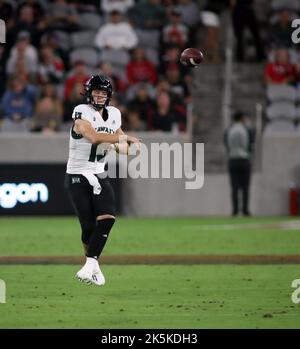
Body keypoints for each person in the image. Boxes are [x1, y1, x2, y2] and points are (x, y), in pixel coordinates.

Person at [65, 75, 140, 286]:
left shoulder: (114, 114)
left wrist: (128, 145)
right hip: (78, 174)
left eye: (103, 93)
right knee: (88, 228)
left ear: (109, 96)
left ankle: (89, 266)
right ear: (88, 93)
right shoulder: (81, 113)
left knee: (107, 218)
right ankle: (93, 267)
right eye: (96, 91)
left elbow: (122, 147)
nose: (99, 95)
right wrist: (123, 139)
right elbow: (95, 137)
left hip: (99, 172)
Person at [224, 112, 255, 216]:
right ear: (242, 118)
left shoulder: (229, 130)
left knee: (234, 187)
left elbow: (226, 145)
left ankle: (235, 211)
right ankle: (245, 210)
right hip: (244, 160)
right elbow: (249, 145)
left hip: (233, 160)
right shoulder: (246, 130)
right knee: (245, 187)